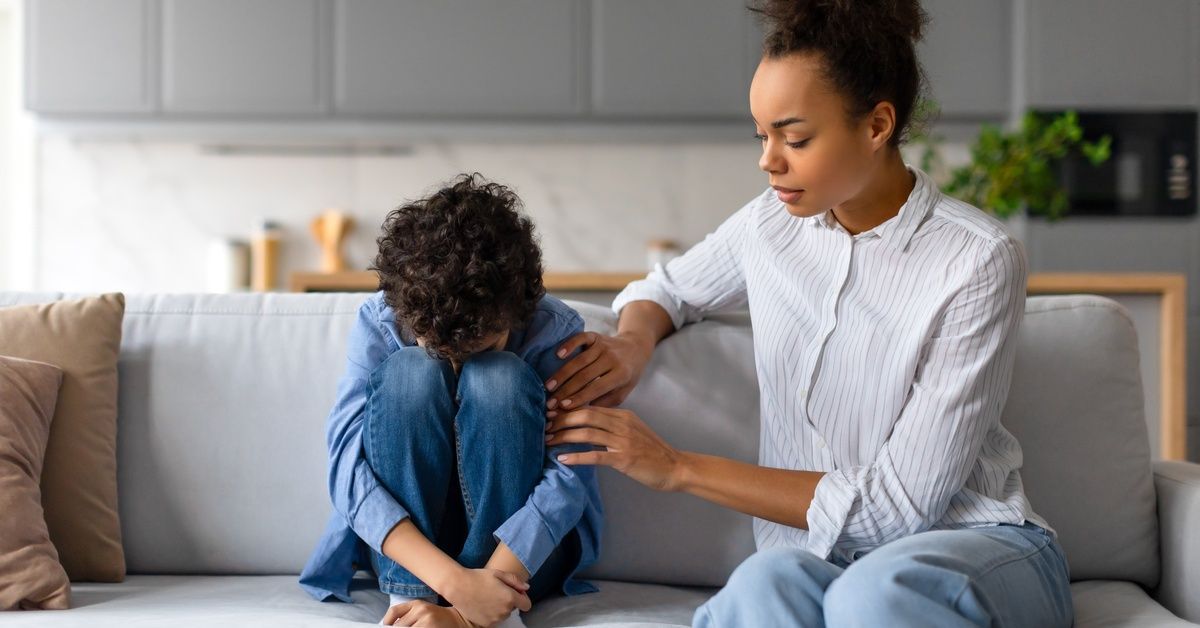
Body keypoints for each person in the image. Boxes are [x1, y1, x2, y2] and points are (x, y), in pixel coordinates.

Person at [540, 1, 1073, 626]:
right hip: (825, 560)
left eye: (794, 138)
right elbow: (668, 290)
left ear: (877, 126)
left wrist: (677, 467)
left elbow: (899, 508)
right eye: (762, 136)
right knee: (763, 583)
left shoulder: (978, 260)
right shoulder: (769, 223)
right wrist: (633, 344)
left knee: (872, 594)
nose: (769, 161)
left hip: (976, 548)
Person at [299, 174, 603, 628]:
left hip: (519, 557)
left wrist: (471, 609)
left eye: (478, 346)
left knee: (498, 378)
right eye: (443, 350)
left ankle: (492, 610)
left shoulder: (553, 331)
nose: (457, 372)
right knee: (411, 372)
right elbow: (346, 467)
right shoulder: (380, 322)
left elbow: (569, 475)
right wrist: (455, 584)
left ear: (518, 307)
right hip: (412, 551)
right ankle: (409, 603)